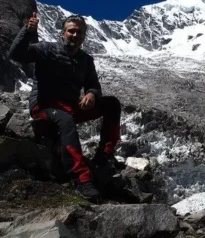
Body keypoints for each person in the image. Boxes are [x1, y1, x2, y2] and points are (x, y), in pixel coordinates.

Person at [8, 12, 121, 201]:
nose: (75, 35)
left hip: (70, 107)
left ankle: (104, 156)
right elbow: (17, 54)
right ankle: (81, 179)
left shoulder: (86, 60)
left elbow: (93, 85)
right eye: (71, 31)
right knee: (65, 120)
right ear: (63, 33)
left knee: (111, 104)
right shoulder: (47, 49)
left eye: (79, 32)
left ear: (84, 36)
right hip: (43, 107)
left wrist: (92, 94)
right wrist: (27, 31)